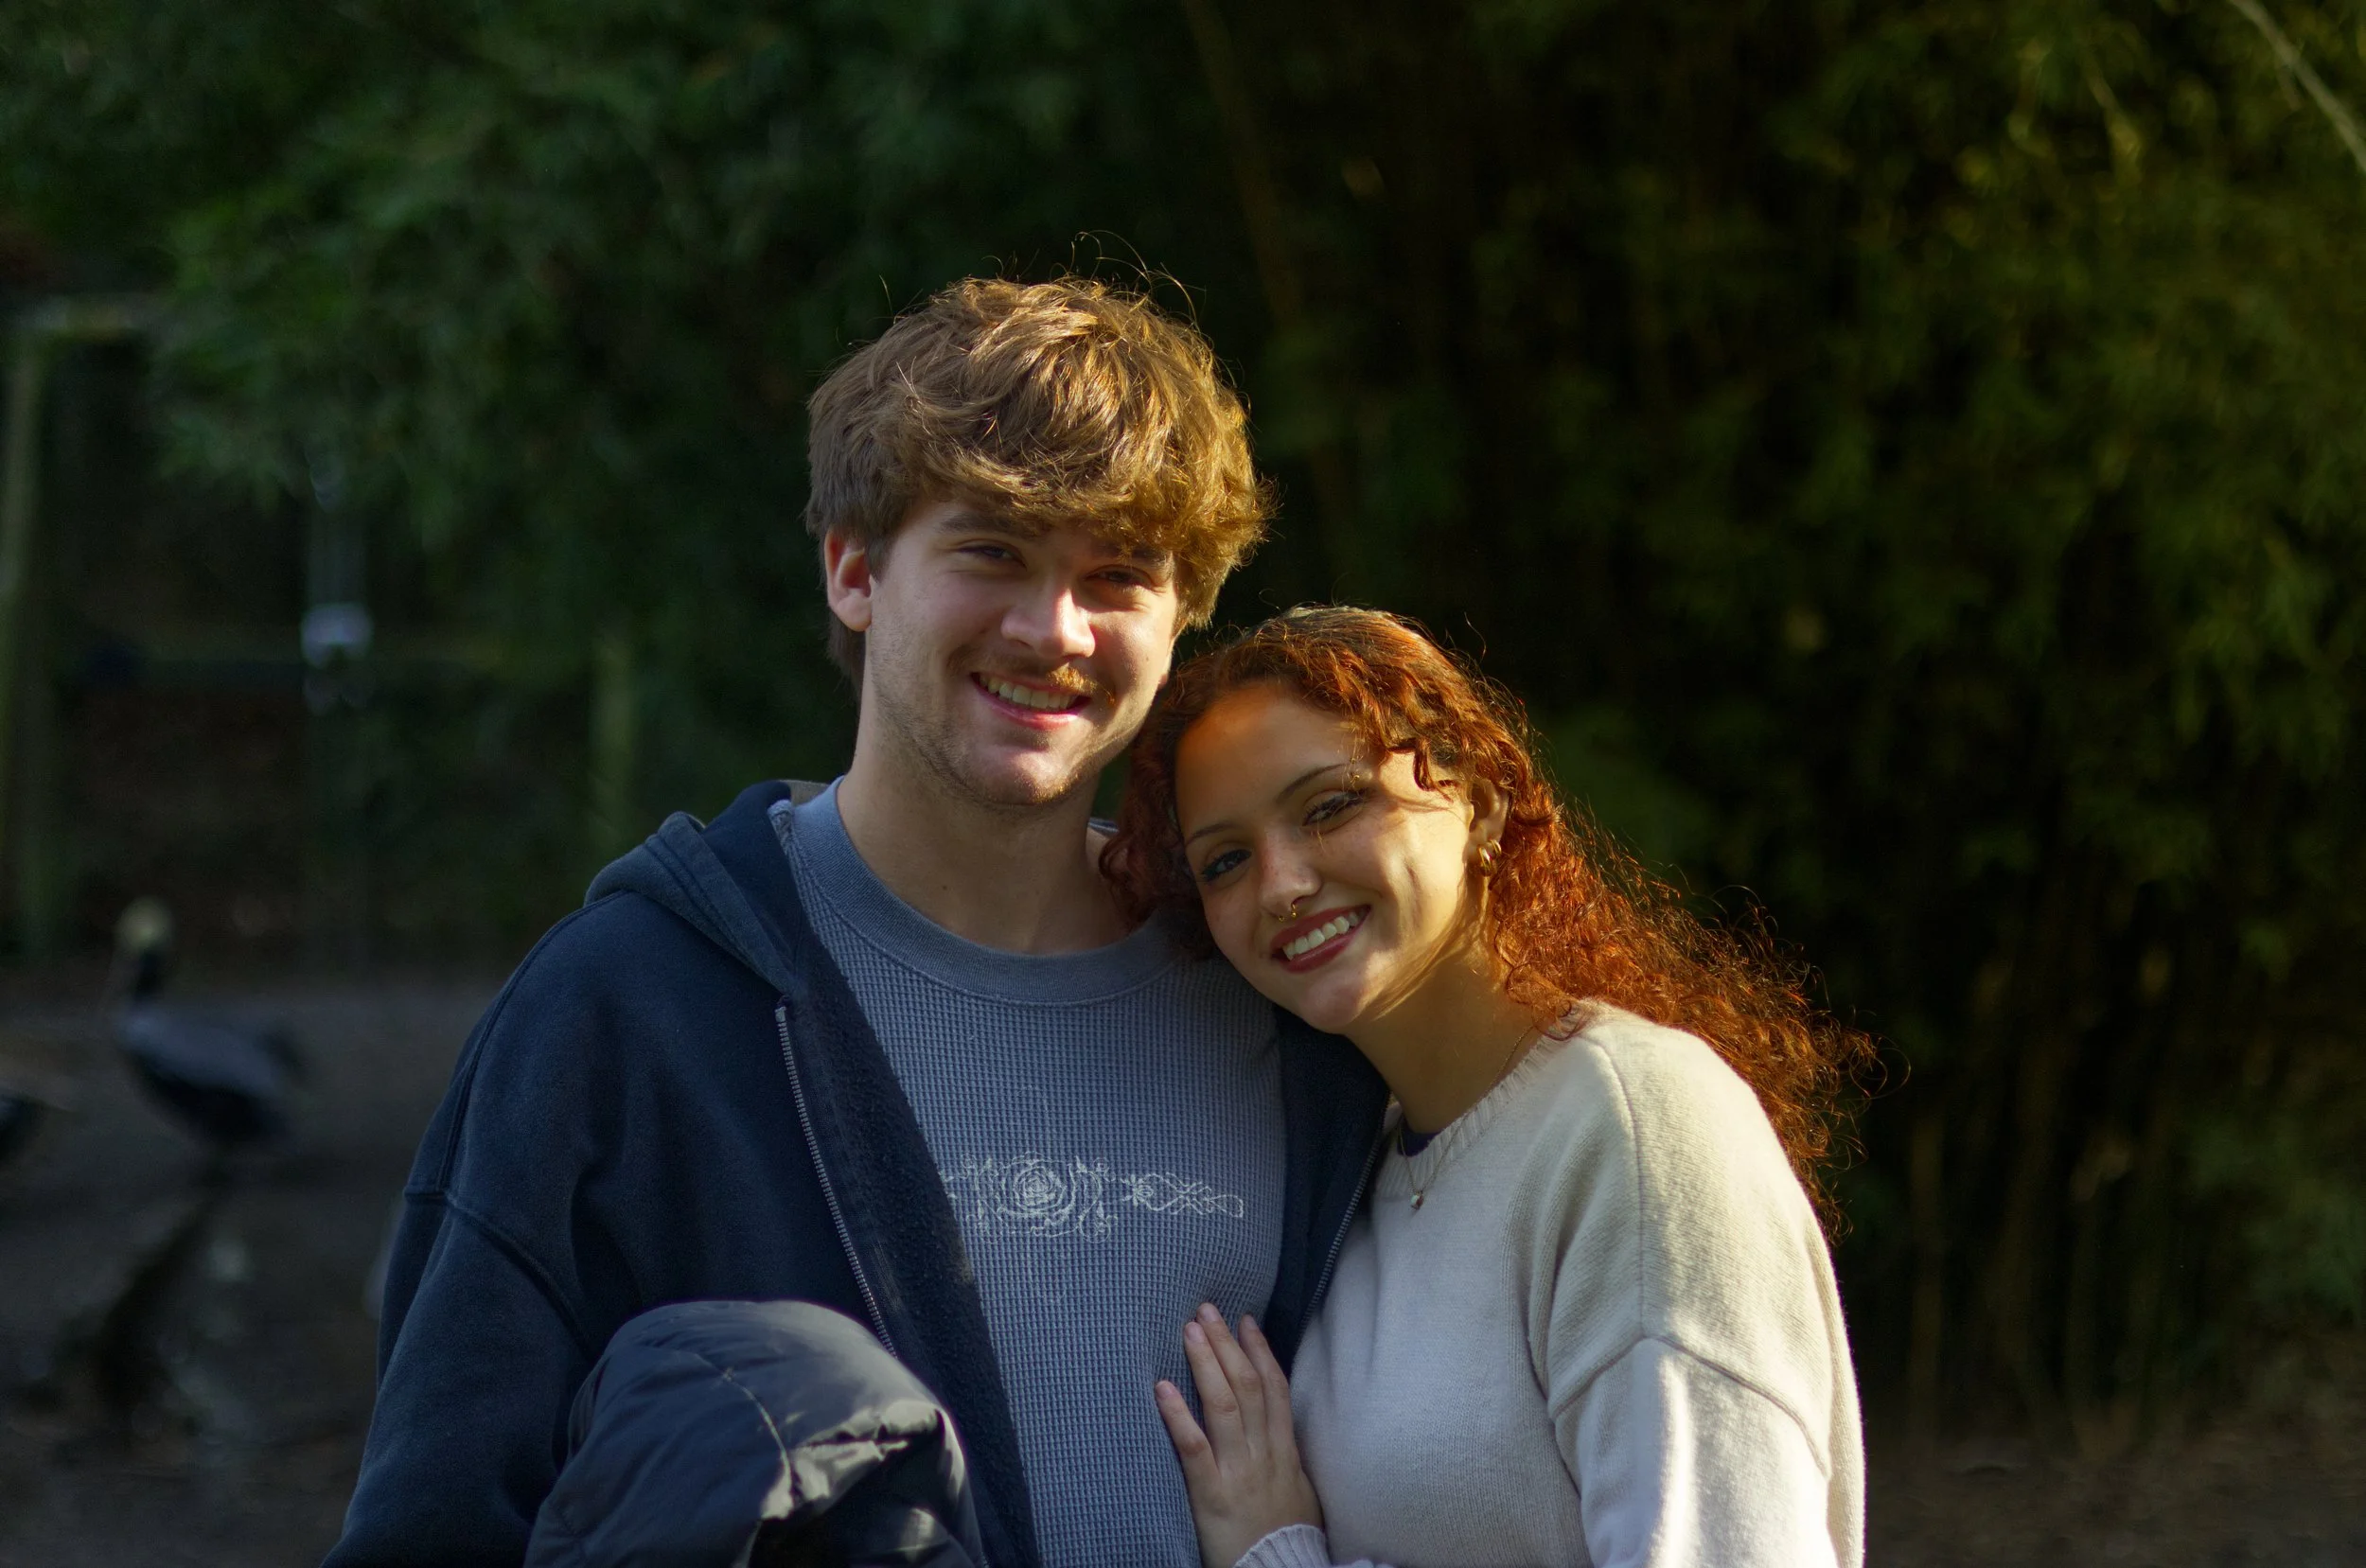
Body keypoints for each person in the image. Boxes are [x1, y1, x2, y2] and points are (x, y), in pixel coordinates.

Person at [325, 279, 1391, 1568]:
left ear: (1181, 621)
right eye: (991, 550)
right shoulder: (625, 1013)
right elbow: (434, 1530)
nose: (1052, 630)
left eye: (1116, 574)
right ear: (853, 570)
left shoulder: (1284, 1004)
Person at [1104, 607, 1872, 1568]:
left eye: (1329, 805)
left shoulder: (1636, 1124)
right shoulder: (1355, 1172)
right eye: (1226, 860)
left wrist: (1278, 1556)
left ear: (1480, 798)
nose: (1281, 884)